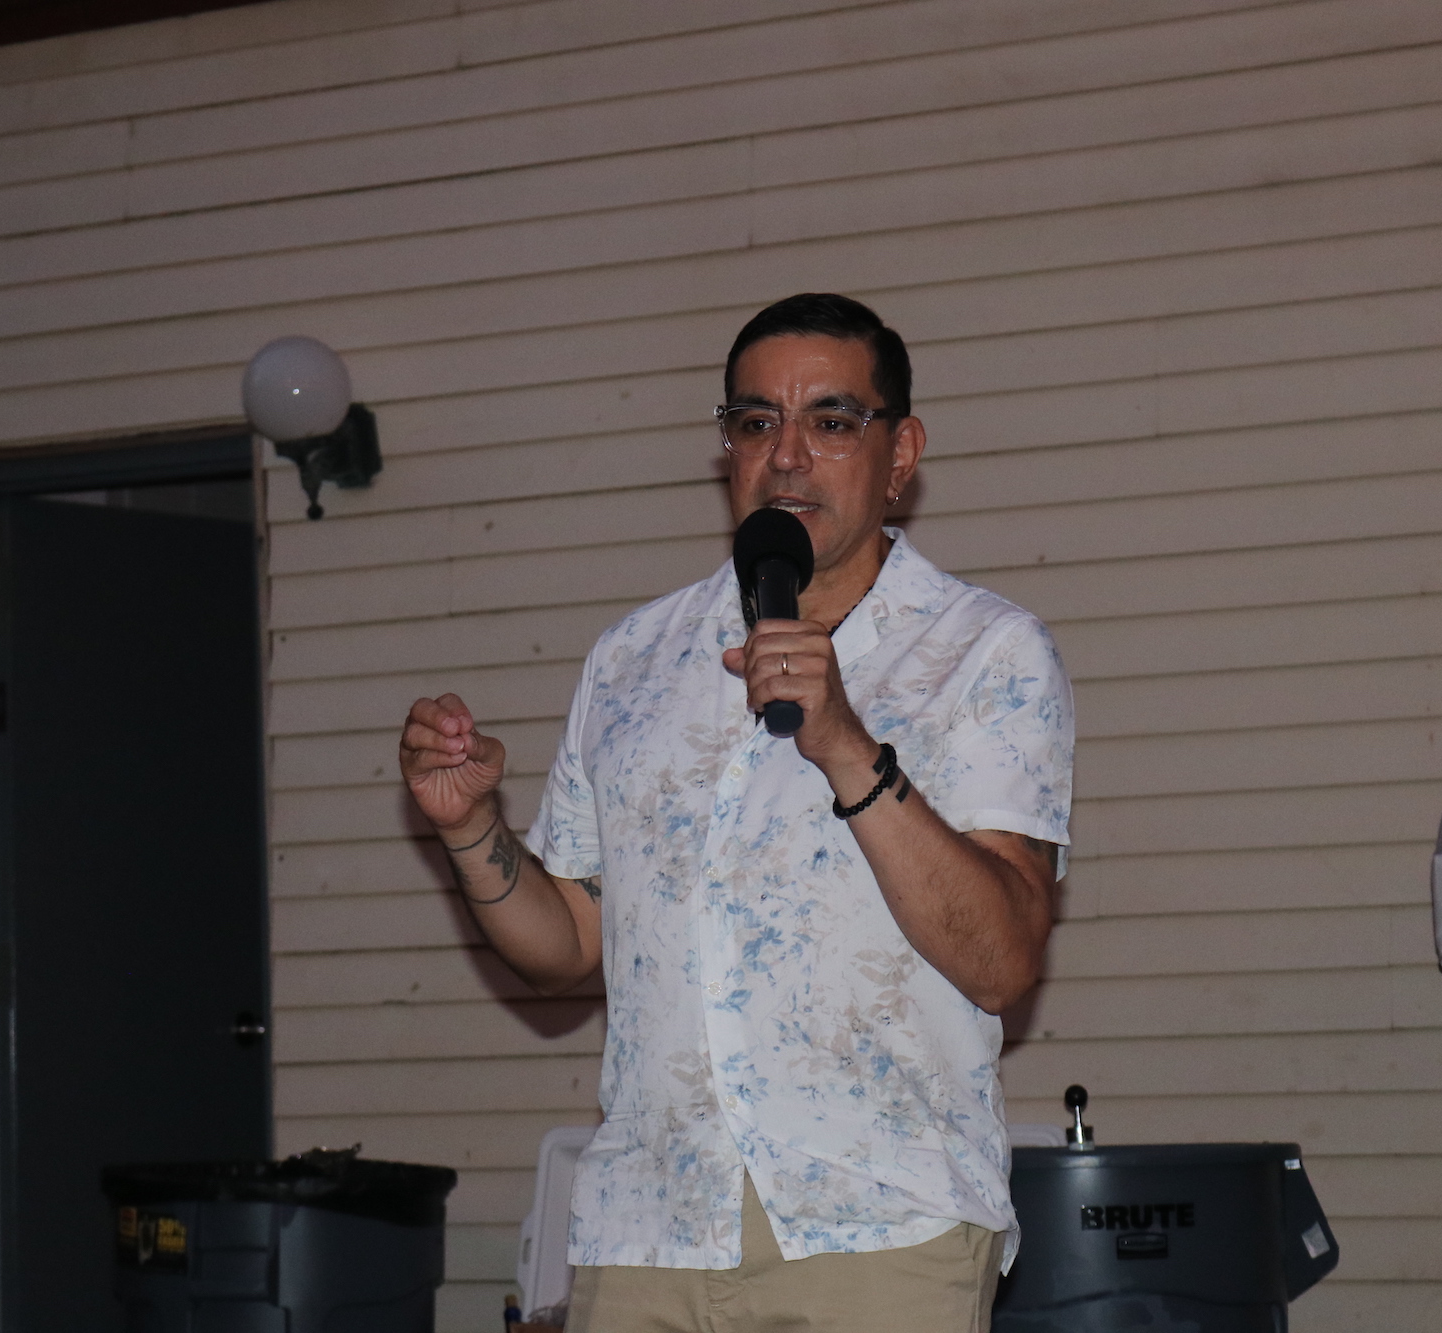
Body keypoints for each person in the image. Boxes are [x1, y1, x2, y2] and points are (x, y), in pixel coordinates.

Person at [398, 293, 1073, 1332]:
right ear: (727, 450)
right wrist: (468, 830)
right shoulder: (631, 659)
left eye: (832, 421)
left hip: (874, 1229)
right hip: (647, 1231)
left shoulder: (982, 653)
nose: (788, 455)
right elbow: (567, 948)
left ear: (900, 454)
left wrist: (843, 741)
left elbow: (1000, 960)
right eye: (756, 423)